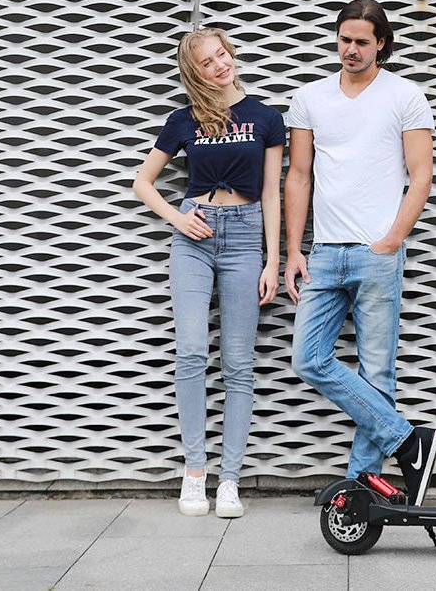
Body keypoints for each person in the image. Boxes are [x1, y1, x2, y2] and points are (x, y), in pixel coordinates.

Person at [283, 0, 436, 505]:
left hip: (377, 252)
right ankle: (408, 441)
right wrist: (294, 250)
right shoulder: (310, 97)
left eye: (362, 42)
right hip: (325, 252)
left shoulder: (405, 95)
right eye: (344, 39)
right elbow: (298, 176)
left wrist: (392, 240)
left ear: (381, 44)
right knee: (308, 359)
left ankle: (361, 486)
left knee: (377, 373)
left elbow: (421, 175)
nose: (351, 49)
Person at [133, 27, 284, 518]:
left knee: (238, 363)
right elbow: (143, 182)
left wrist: (273, 259)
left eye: (222, 55)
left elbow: (272, 193)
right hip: (193, 237)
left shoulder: (266, 118)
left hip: (244, 238)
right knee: (192, 352)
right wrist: (177, 218)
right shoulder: (184, 119)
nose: (220, 65)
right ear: (194, 72)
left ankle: (230, 479)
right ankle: (195, 471)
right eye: (207, 62)